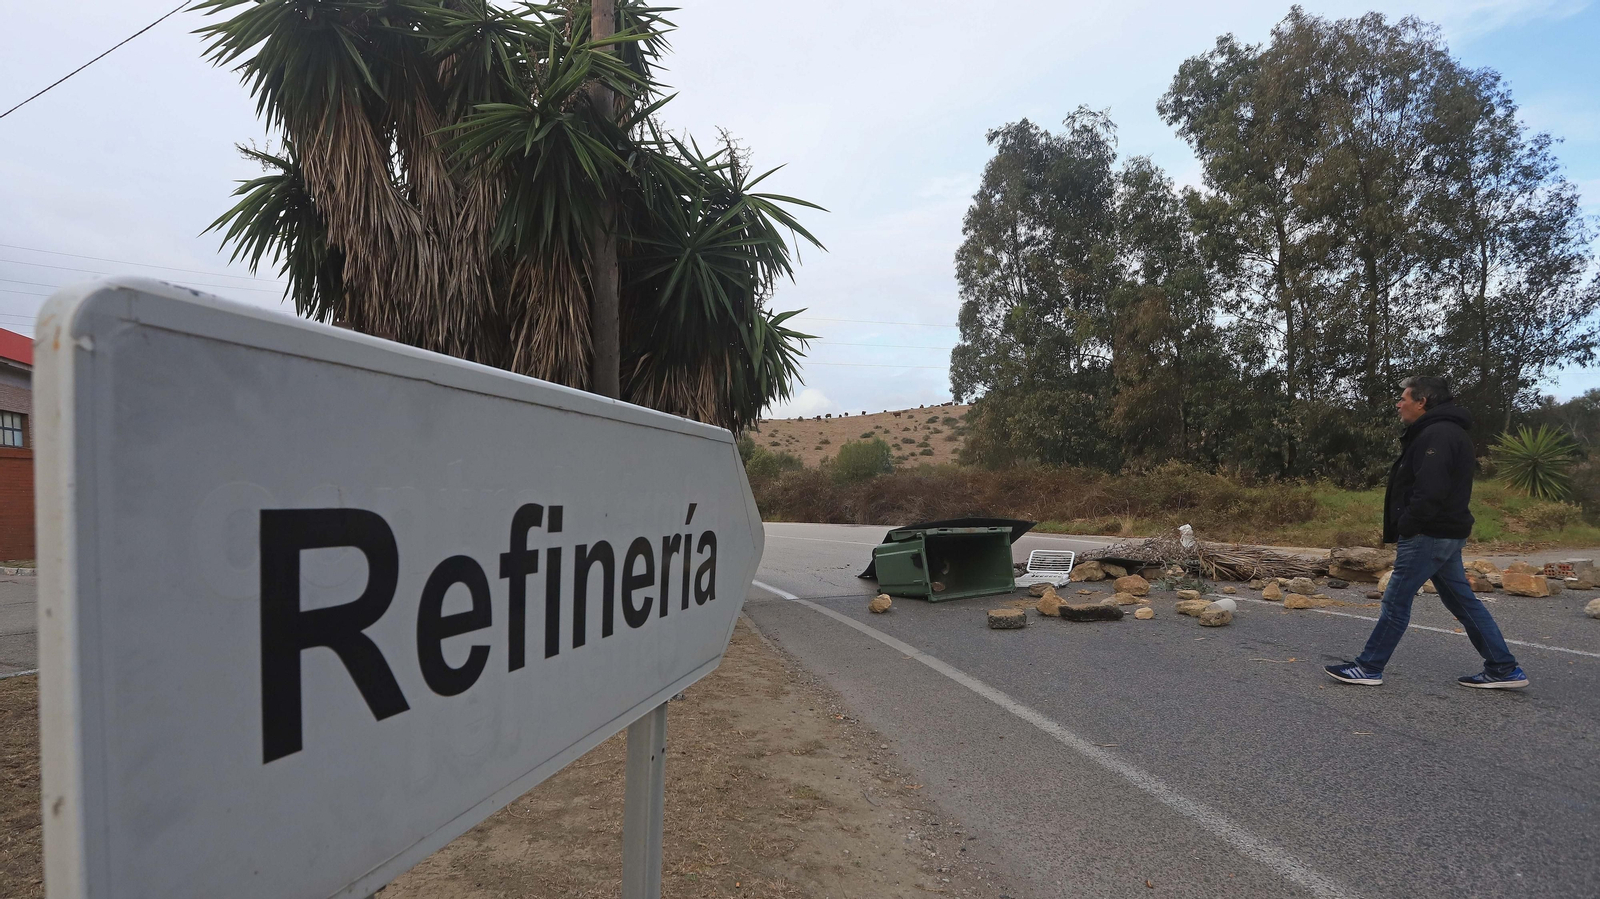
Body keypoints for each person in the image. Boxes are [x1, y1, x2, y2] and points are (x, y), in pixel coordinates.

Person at [1325, 376, 1528, 689]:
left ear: (1422, 402)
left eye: (1404, 398)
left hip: (1429, 534)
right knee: (1462, 602)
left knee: (1395, 601)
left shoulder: (1437, 433)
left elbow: (1430, 489)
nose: (1399, 404)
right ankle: (1503, 668)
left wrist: (1410, 523)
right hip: (1444, 532)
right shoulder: (1443, 431)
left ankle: (1368, 667)